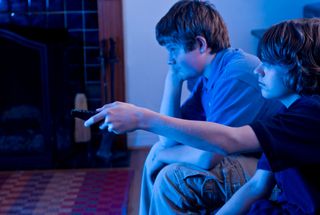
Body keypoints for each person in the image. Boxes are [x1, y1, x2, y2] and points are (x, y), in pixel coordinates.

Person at [85, 18, 320, 214]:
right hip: (269, 199)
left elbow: (229, 142)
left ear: (298, 66)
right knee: (159, 154)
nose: (259, 69)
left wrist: (142, 118)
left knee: (171, 175)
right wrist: (173, 79)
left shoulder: (308, 113)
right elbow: (257, 185)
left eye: (268, 64)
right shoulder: (287, 113)